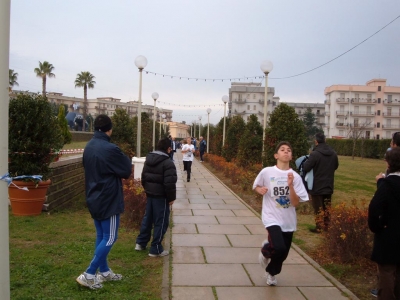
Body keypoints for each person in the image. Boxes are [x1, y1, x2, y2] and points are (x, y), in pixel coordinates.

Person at [76, 114, 132, 290]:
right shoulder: (110, 149)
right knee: (110, 237)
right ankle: (89, 273)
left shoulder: (89, 146)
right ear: (109, 129)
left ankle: (105, 271)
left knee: (101, 236)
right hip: (109, 199)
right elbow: (126, 170)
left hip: (93, 196)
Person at [253, 141, 309, 286]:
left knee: (283, 254)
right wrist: (260, 190)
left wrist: (290, 185)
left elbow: (296, 203)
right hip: (271, 217)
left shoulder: (295, 177)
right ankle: (269, 248)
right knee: (279, 247)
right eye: (282, 149)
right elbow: (256, 186)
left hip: (288, 220)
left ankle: (271, 270)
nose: (286, 151)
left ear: (291, 156)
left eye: (289, 150)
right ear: (276, 155)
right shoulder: (267, 172)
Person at [135, 137, 177, 257]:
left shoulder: (149, 159)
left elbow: (143, 177)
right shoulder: (168, 163)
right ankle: (156, 248)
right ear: (169, 149)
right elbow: (169, 183)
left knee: (147, 219)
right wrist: (171, 198)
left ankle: (141, 243)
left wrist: (147, 190)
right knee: (161, 221)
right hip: (162, 197)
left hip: (150, 195)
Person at [368, 146, 400, 300]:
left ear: (388, 164)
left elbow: (374, 208)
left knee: (387, 271)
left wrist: (376, 227)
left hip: (389, 234)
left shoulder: (387, 185)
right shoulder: (387, 184)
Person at [303, 133, 338, 232]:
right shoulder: (333, 153)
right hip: (329, 183)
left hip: (317, 184)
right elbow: (336, 166)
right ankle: (327, 226)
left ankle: (319, 227)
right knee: (327, 206)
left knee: (318, 207)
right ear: (325, 140)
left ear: (316, 141)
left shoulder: (315, 154)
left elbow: (306, 167)